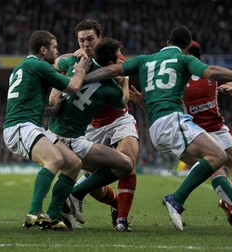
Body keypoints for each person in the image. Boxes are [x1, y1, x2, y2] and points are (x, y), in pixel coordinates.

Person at [84, 26, 232, 231]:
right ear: (186, 47)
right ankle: (176, 199)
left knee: (216, 165)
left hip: (163, 128)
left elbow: (112, 70)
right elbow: (211, 71)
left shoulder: (146, 60)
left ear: (168, 41)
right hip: (174, 122)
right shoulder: (183, 60)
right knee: (217, 157)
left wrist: (81, 79)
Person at [129, 40, 232, 226]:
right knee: (215, 167)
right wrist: (142, 102)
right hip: (195, 133)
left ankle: (226, 204)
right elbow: (161, 108)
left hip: (218, 129)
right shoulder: (178, 77)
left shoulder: (207, 73)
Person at [54, 19, 139, 232]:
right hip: (90, 127)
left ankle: (122, 219)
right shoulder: (76, 58)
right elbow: (56, 63)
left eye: (90, 38)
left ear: (99, 38)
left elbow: (109, 75)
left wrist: (81, 75)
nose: (86, 44)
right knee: (96, 185)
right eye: (81, 40)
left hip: (118, 119)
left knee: (128, 159)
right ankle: (115, 205)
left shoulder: (113, 56)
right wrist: (69, 60)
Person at [2, 30, 91, 231]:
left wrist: (54, 108)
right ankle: (34, 212)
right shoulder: (38, 65)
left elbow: (38, 106)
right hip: (20, 126)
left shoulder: (23, 67)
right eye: (54, 47)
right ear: (44, 50)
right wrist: (81, 70)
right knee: (54, 160)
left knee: (74, 163)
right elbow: (73, 87)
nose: (57, 51)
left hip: (30, 124)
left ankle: (51, 215)